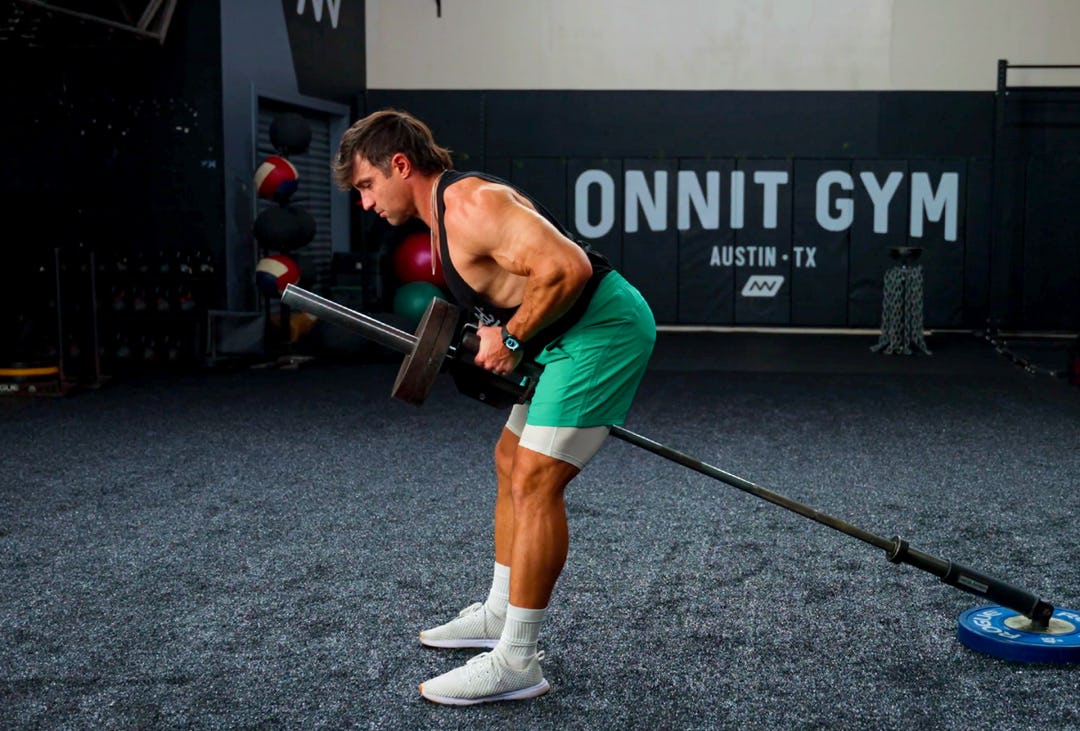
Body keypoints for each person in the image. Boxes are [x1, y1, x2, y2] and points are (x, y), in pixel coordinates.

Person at [333, 109, 656, 706]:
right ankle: (498, 611)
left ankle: (517, 659)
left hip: (601, 329)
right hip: (560, 335)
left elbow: (567, 267)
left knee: (536, 480)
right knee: (511, 457)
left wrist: (509, 339)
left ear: (399, 165)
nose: (366, 203)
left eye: (367, 186)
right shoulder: (441, 217)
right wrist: (503, 333)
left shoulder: (472, 204)